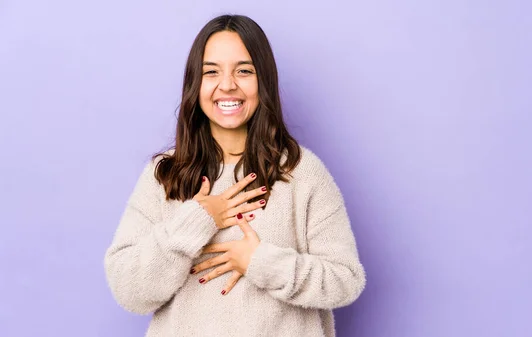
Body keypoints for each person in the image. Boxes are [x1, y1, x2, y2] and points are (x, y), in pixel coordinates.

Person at [104, 14, 366, 337]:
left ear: (263, 82)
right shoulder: (165, 175)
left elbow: (346, 280)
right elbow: (127, 289)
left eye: (243, 71)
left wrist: (260, 262)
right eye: (211, 72)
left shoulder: (302, 173)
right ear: (195, 85)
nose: (227, 84)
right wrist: (196, 220)